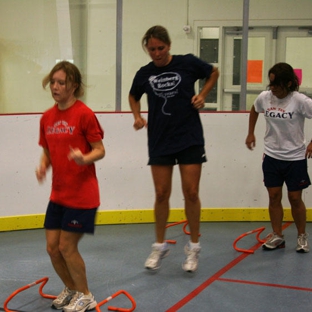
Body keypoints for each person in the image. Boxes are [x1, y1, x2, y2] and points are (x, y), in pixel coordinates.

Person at [129, 25, 219, 272]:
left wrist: (203, 95)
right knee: (161, 194)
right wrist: (137, 116)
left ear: (168, 46)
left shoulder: (187, 63)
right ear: (147, 49)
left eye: (160, 48)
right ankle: (159, 246)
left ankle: (193, 247)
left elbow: (213, 72)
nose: (156, 53)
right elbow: (133, 95)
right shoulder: (144, 73)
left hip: (189, 137)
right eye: (152, 49)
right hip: (160, 139)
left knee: (191, 192)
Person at [36, 61, 105, 311]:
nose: (55, 86)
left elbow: (100, 150)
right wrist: (44, 165)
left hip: (83, 196)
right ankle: (72, 288)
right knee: (53, 248)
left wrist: (83, 158)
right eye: (53, 82)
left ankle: (86, 295)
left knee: (67, 246)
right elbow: (47, 152)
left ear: (73, 86)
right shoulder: (47, 118)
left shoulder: (84, 114)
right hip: (58, 195)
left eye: (61, 82)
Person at [245, 62, 312, 253]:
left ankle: (301, 236)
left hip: (295, 158)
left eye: (277, 85)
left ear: (289, 84)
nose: (272, 88)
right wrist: (251, 133)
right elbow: (254, 110)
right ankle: (278, 236)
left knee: (294, 198)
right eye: (271, 84)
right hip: (272, 156)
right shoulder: (265, 98)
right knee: (274, 197)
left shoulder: (300, 101)